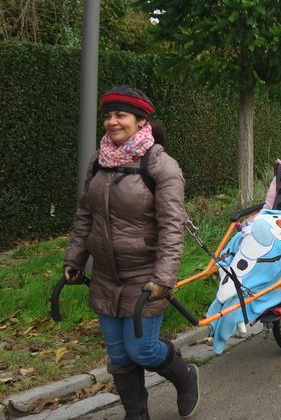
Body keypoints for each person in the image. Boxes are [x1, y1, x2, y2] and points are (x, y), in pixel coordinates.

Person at [63, 86, 199, 419]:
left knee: (143, 349)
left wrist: (164, 278)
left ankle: (186, 376)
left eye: (120, 115)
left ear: (140, 122)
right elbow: (85, 216)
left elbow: (171, 227)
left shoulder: (161, 166)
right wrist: (74, 259)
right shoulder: (98, 162)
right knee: (119, 356)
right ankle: (136, 415)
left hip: (144, 275)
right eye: (107, 115)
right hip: (107, 276)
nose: (111, 122)